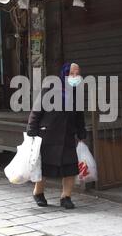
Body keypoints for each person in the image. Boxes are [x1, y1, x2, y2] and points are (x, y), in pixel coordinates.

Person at [27, 63, 87, 209]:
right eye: (72, 73)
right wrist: (32, 129)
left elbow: (79, 115)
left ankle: (66, 197)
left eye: (77, 73)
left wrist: (81, 131)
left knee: (70, 168)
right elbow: (37, 109)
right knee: (45, 167)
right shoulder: (50, 87)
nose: (75, 76)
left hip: (67, 134)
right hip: (48, 133)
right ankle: (38, 193)